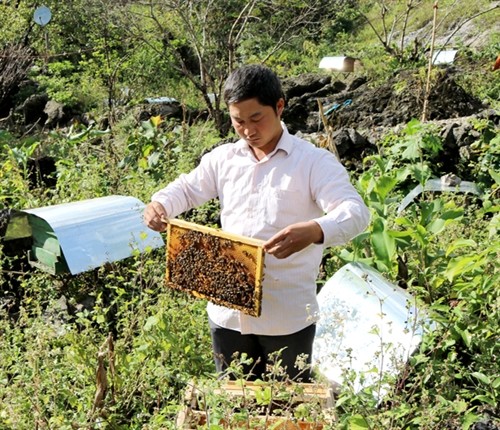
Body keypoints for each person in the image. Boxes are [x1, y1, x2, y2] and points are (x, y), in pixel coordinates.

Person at [144, 64, 370, 382]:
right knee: (235, 405)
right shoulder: (223, 159)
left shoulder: (313, 162)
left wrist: (316, 229)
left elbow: (355, 212)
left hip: (287, 318)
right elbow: (187, 188)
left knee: (288, 407)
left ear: (279, 106)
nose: (248, 130)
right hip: (227, 314)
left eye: (256, 118)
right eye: (238, 121)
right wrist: (160, 204)